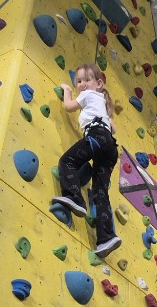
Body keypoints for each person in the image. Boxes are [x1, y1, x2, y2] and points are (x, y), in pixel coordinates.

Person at [51, 63, 121, 258]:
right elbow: (113, 129)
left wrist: (67, 91)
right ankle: (107, 237)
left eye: (86, 80)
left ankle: (74, 197)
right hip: (110, 148)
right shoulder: (102, 103)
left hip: (97, 137)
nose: (81, 84)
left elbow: (68, 107)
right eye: (78, 81)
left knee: (67, 161)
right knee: (100, 192)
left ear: (98, 83)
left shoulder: (88, 95)